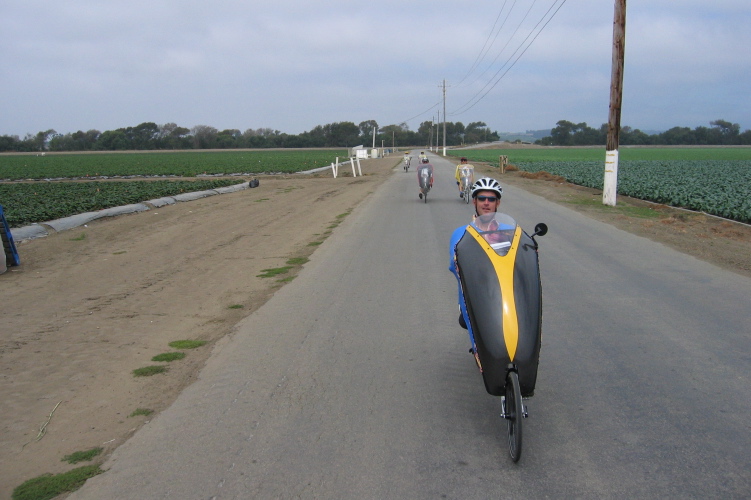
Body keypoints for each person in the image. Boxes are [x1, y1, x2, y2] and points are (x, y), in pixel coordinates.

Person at [448, 177, 504, 330]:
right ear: (474, 202)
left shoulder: (509, 231)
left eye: (491, 199)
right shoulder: (462, 233)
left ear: (497, 203)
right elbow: (454, 265)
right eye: (482, 198)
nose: (486, 202)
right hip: (476, 290)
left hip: (505, 287)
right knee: (468, 320)